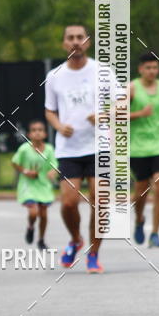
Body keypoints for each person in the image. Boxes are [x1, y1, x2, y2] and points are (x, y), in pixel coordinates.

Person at [44, 24, 108, 273]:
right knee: (69, 203)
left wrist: (105, 114)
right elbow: (49, 110)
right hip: (69, 148)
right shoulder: (55, 76)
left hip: (99, 144)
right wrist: (58, 125)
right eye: (70, 38)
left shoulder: (102, 71)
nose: (75, 42)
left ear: (88, 42)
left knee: (100, 200)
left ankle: (94, 253)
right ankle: (75, 239)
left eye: (80, 37)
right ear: (63, 43)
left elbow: (122, 100)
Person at [129, 52, 159, 247]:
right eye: (148, 68)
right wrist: (140, 113)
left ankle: (155, 233)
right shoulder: (131, 88)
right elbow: (116, 115)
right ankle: (139, 220)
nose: (152, 71)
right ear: (141, 70)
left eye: (155, 68)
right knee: (140, 193)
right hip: (137, 147)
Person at [12, 120, 58, 250]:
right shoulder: (24, 149)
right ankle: (31, 227)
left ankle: (41, 239)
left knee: (43, 214)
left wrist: (52, 172)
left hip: (43, 185)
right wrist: (26, 171)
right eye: (34, 130)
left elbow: (54, 164)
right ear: (29, 134)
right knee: (33, 213)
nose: (37, 133)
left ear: (45, 134)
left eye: (40, 130)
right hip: (28, 185)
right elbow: (15, 162)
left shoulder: (49, 149)